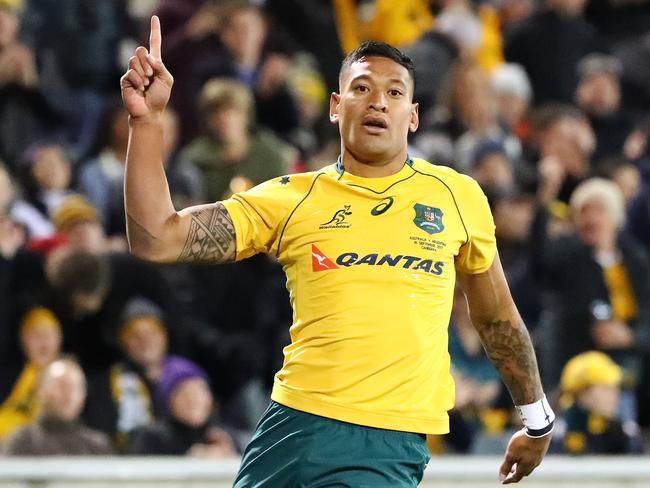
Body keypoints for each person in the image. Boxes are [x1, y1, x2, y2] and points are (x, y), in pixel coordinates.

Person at [121, 17, 554, 485]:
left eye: (394, 93)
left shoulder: (456, 196)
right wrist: (146, 122)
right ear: (335, 106)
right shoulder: (293, 198)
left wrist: (537, 418)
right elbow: (156, 238)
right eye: (362, 88)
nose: (378, 103)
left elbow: (495, 316)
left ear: (413, 115)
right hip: (291, 428)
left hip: (385, 440)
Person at [3, 358, 113, 455]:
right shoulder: (21, 442)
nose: (69, 394)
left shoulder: (97, 446)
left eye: (76, 387)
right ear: (40, 392)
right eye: (61, 385)